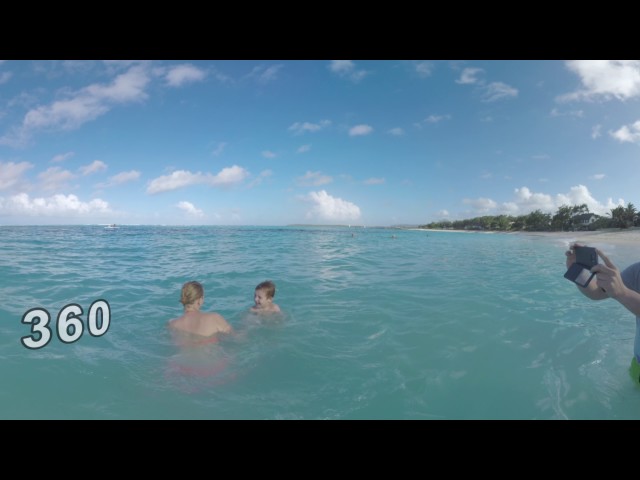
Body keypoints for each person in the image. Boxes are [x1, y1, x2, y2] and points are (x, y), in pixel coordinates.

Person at [565, 243, 640, 384]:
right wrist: (577, 272)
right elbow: (597, 293)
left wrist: (623, 293)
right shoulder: (638, 270)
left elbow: (620, 292)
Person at [168, 281, 232, 347]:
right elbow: (235, 338)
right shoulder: (214, 318)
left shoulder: (172, 324)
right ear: (200, 300)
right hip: (210, 356)